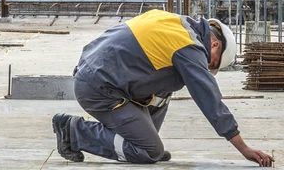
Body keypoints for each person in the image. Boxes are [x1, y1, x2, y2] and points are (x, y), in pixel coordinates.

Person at [52, 10, 274, 167]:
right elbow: (209, 98)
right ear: (214, 44)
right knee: (148, 151)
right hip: (99, 88)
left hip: (96, 74)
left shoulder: (177, 24)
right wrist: (242, 147)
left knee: (169, 85)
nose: (208, 66)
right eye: (213, 62)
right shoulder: (189, 46)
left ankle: (144, 141)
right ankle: (74, 132)